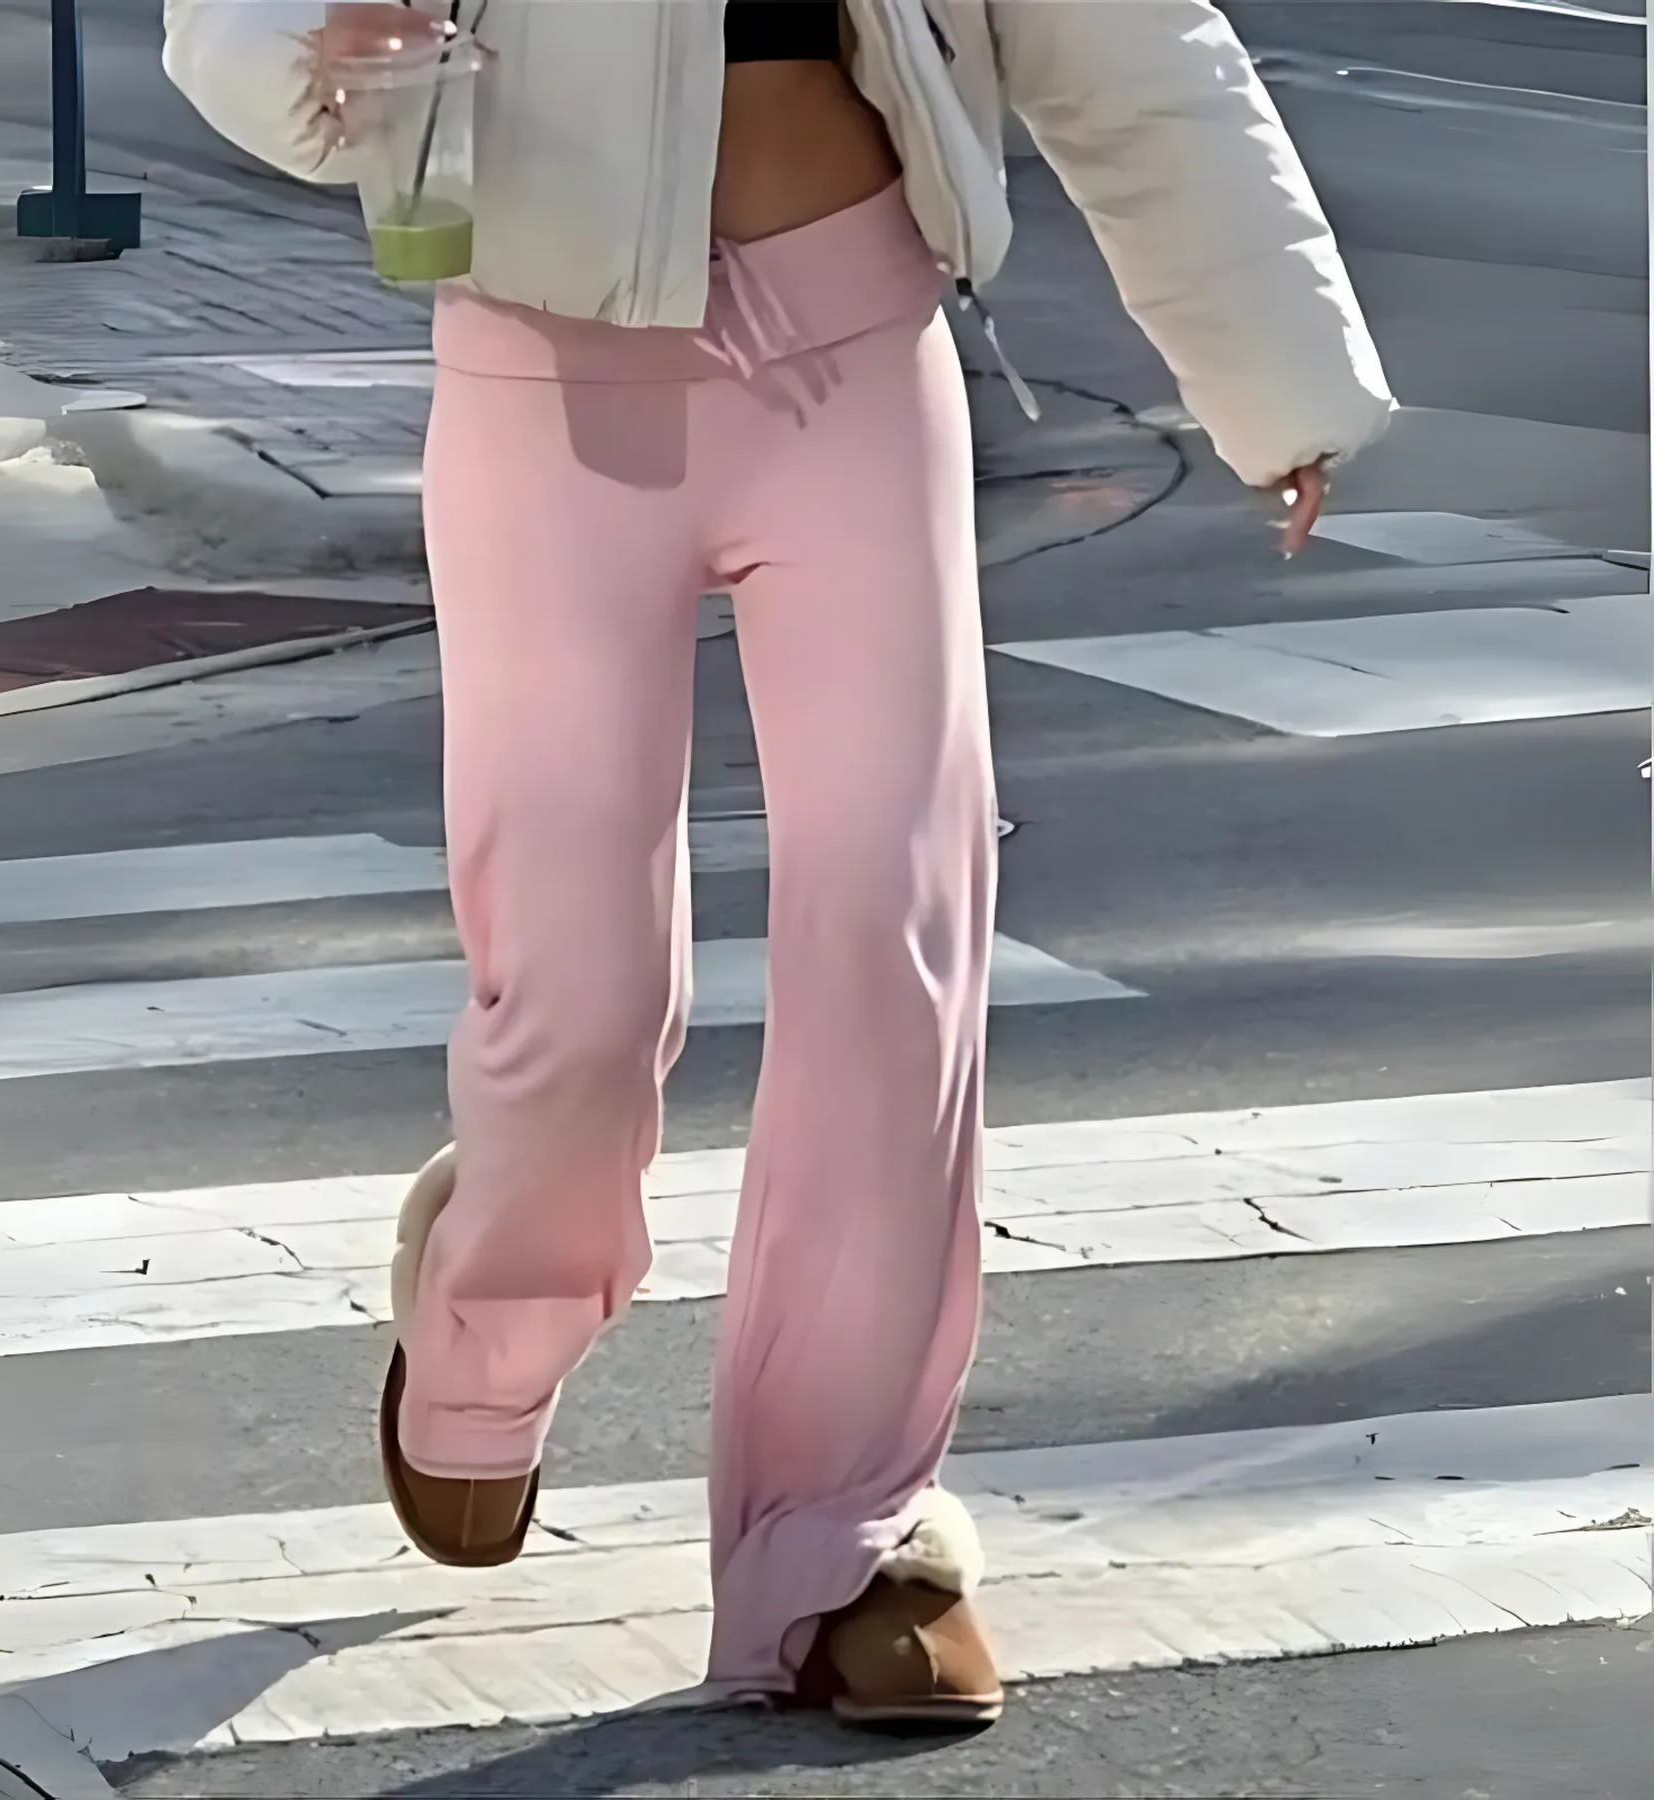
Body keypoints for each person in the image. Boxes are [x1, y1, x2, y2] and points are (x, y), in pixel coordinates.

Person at [163, 0, 1394, 1727]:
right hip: (544, 365)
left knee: (899, 931)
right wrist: (309, 47)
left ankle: (850, 1536)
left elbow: (1127, 38)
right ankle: (490, 1311)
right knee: (578, 988)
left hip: (858, 348)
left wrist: (1280, 372)